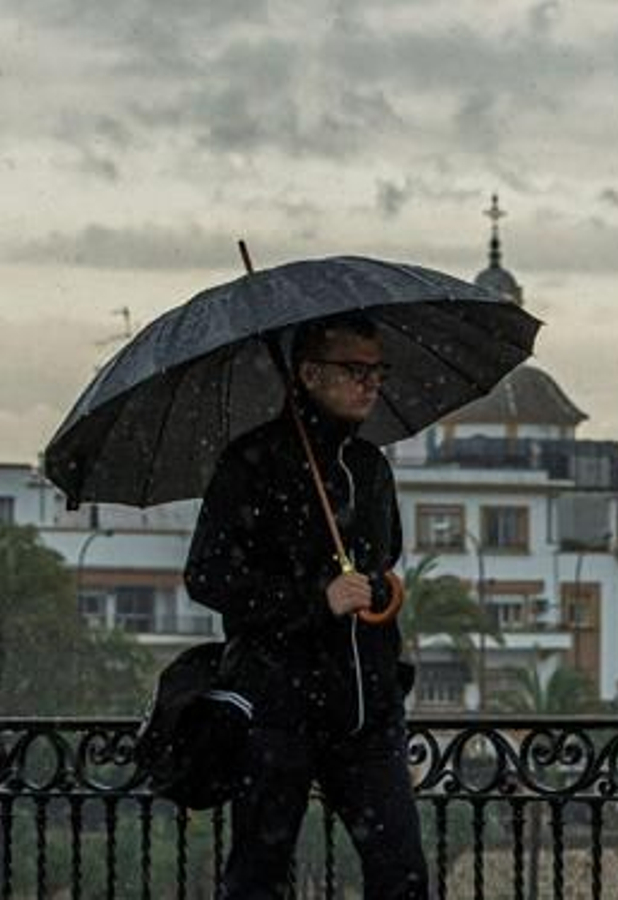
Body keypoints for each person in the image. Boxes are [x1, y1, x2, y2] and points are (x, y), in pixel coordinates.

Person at [185, 313, 428, 899]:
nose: (370, 384)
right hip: (279, 711)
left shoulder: (370, 467)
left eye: (378, 371)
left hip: (367, 711)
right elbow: (209, 576)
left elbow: (383, 558)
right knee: (258, 877)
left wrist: (377, 594)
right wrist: (314, 600)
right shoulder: (253, 462)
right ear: (310, 374)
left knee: (402, 873)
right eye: (355, 370)